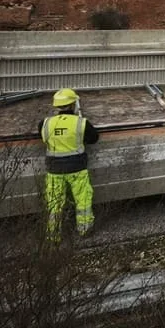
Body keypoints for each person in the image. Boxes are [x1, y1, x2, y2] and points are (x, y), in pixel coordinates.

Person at [39, 88, 99, 241]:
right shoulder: (81, 123)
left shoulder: (45, 124)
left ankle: (53, 235)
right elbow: (93, 138)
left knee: (54, 202)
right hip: (77, 169)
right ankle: (85, 229)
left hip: (54, 170)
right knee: (83, 199)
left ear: (56, 106)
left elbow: (44, 139)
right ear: (73, 105)